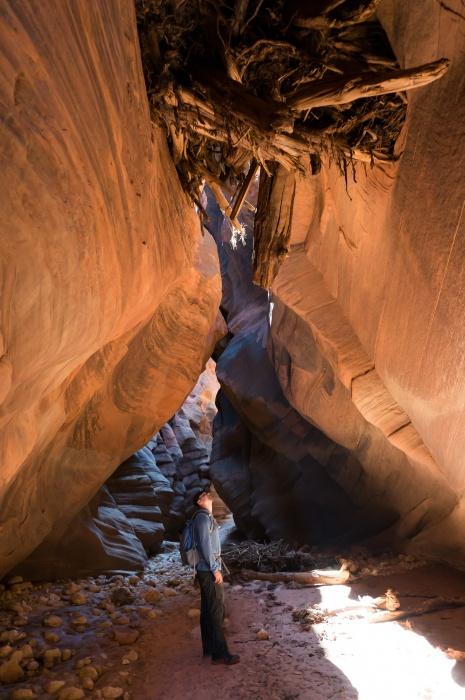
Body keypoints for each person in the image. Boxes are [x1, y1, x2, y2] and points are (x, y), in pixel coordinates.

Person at [192, 488, 240, 665]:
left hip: (204, 570)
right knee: (216, 610)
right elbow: (205, 547)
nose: (207, 495)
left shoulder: (203, 518)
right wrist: (215, 569)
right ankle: (220, 655)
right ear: (199, 501)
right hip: (208, 570)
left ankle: (209, 648)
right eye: (204, 495)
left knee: (207, 609)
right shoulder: (203, 518)